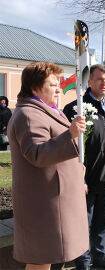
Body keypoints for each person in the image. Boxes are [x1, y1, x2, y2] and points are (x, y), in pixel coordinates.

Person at [8, 62, 88, 270]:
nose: (59, 88)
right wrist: (70, 135)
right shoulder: (28, 114)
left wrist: (78, 176)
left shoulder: (44, 111)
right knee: (40, 261)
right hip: (44, 204)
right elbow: (37, 154)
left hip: (53, 202)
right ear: (35, 88)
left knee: (47, 259)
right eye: (53, 84)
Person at [64, 64, 105, 270]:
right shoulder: (76, 108)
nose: (104, 83)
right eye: (99, 79)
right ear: (89, 81)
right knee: (84, 224)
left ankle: (101, 256)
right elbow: (69, 148)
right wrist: (78, 178)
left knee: (102, 222)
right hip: (87, 179)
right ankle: (84, 262)